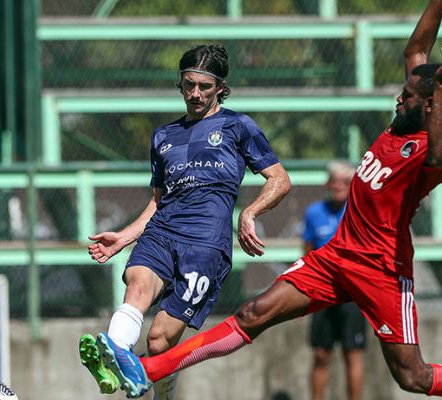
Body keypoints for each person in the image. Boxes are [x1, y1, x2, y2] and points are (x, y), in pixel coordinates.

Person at [93, 2, 442, 399]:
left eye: (407, 98)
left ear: (430, 106)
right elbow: (416, 49)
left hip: (382, 269)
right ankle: (146, 370)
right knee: (253, 313)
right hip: (337, 255)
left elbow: (438, 153)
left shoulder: (437, 144)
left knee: (412, 375)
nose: (397, 99)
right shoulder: (407, 115)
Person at [78, 44, 292, 400]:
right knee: (137, 286)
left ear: (220, 87)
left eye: (204, 86)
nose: (195, 93)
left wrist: (249, 213)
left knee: (159, 341)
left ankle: (154, 386)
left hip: (206, 244)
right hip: (162, 232)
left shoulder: (238, 126)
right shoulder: (163, 136)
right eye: (189, 84)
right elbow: (158, 200)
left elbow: (280, 180)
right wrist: (125, 237)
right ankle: (116, 354)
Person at [304, 161, 366, 400]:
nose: (339, 186)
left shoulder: (360, 212)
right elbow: (307, 253)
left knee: (352, 353)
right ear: (327, 184)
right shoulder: (314, 213)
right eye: (335, 181)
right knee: (321, 354)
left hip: (352, 293)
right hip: (322, 292)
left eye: (345, 182)